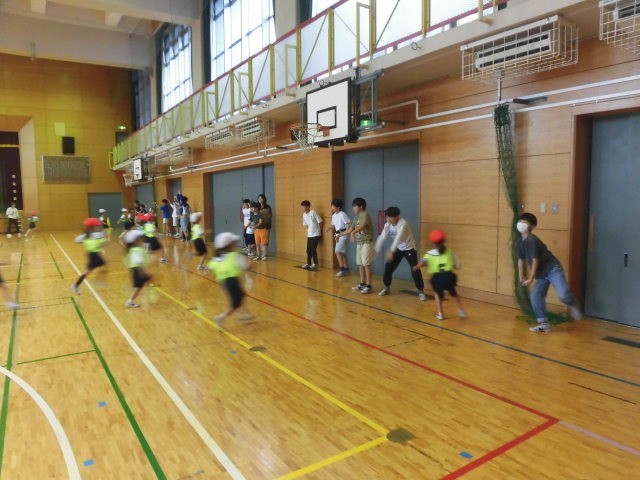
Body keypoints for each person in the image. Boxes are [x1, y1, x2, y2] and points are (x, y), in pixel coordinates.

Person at [516, 212, 583, 333]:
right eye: (520, 221)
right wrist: (521, 275)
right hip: (541, 274)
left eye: (525, 222)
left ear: (532, 226)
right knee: (536, 297)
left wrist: (531, 279)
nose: (521, 224)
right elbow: (520, 259)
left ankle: (573, 303)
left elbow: (535, 261)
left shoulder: (532, 240)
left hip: (553, 269)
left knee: (563, 295)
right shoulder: (519, 242)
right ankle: (544, 324)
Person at [374, 207, 427, 301]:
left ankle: (421, 291)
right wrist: (376, 249)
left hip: (409, 248)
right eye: (387, 217)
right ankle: (386, 287)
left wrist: (391, 251)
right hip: (398, 248)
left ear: (397, 217)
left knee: (415, 269)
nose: (388, 219)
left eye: (390, 217)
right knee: (388, 267)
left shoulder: (403, 224)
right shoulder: (387, 225)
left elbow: (398, 238)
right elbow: (382, 237)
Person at [414, 229, 466, 320]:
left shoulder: (429, 254)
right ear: (444, 241)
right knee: (454, 293)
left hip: (437, 278)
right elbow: (458, 266)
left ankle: (440, 314)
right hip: (449, 276)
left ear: (433, 243)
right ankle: (461, 311)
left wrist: (416, 267)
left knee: (437, 294)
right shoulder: (450, 252)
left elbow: (421, 264)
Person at [207, 232, 254, 327]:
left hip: (224, 283)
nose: (235, 244)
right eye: (233, 242)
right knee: (235, 305)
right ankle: (221, 317)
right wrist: (252, 265)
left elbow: (210, 266)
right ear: (229, 245)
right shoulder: (235, 256)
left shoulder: (218, 258)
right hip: (233, 282)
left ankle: (244, 315)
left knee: (241, 295)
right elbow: (247, 267)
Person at [337, 197, 374, 294]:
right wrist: (339, 235)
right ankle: (362, 283)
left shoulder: (365, 215)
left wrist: (353, 233)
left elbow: (362, 226)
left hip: (366, 242)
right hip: (359, 243)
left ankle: (369, 285)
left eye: (354, 206)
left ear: (361, 206)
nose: (353, 208)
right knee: (360, 264)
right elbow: (350, 229)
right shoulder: (356, 217)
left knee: (366, 264)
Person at [71, 218, 108, 294]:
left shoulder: (88, 235)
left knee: (105, 266)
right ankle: (75, 285)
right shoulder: (94, 235)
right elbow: (104, 240)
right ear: (92, 227)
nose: (97, 227)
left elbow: (77, 240)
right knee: (87, 272)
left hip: (96, 254)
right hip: (94, 256)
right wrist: (104, 237)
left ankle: (98, 281)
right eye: (96, 226)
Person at [123, 229, 152, 308]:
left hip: (136, 270)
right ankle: (130, 301)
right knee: (138, 287)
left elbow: (127, 261)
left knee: (144, 283)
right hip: (138, 270)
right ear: (136, 241)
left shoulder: (133, 249)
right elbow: (138, 262)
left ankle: (134, 299)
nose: (143, 239)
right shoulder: (137, 250)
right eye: (141, 238)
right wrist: (141, 272)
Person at [326, 199, 350, 277]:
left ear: (338, 207)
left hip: (343, 235)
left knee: (337, 251)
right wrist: (329, 228)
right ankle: (346, 269)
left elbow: (348, 224)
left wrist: (345, 233)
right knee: (342, 252)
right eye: (331, 206)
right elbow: (334, 226)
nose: (332, 208)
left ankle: (342, 270)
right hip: (337, 234)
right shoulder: (334, 215)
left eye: (333, 206)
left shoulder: (342, 214)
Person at [300, 200, 323, 270]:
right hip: (309, 234)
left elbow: (320, 221)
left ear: (308, 206)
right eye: (301, 206)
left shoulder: (313, 212)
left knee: (313, 249)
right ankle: (308, 263)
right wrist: (309, 230)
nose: (302, 208)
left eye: (303, 206)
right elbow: (305, 224)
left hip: (316, 234)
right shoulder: (304, 215)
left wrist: (319, 231)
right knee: (308, 250)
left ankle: (315, 264)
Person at [254, 194, 272, 261]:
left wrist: (262, 216)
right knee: (258, 242)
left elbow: (269, 215)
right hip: (258, 227)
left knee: (264, 241)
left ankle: (264, 255)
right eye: (259, 198)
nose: (260, 200)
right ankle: (259, 255)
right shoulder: (257, 207)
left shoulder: (267, 207)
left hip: (266, 226)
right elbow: (255, 215)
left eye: (261, 198)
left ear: (264, 199)